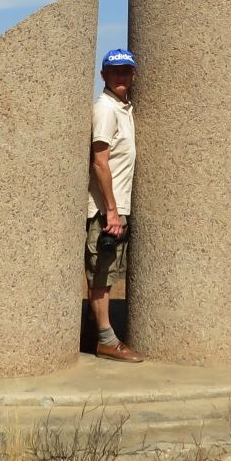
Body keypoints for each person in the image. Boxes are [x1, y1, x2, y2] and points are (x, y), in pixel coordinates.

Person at [86, 48, 144, 362]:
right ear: (104, 75)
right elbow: (99, 163)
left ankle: (105, 334)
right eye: (115, 71)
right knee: (102, 276)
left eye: (126, 71)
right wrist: (110, 209)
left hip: (117, 207)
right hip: (104, 209)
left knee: (108, 274)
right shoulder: (106, 109)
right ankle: (107, 340)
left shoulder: (124, 108)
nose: (122, 76)